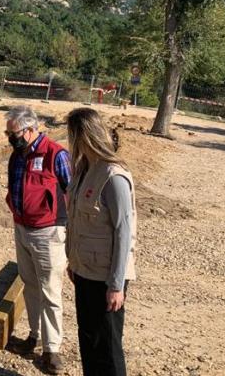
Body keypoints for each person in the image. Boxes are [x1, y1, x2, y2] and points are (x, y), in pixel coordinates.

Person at [65, 108, 137, 376]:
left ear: (85, 136)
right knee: (89, 339)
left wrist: (116, 285)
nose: (70, 142)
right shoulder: (84, 169)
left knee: (107, 346)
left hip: (106, 278)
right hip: (84, 270)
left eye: (73, 135)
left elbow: (123, 232)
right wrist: (72, 260)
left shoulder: (114, 176)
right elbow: (76, 221)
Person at [3, 105, 71, 374]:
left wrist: (72, 234)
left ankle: (52, 349)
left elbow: (72, 193)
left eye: (14, 132)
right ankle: (34, 336)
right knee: (30, 285)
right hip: (22, 229)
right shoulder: (17, 155)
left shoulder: (56, 154)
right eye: (8, 133)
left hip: (49, 233)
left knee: (50, 290)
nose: (10, 137)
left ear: (31, 130)